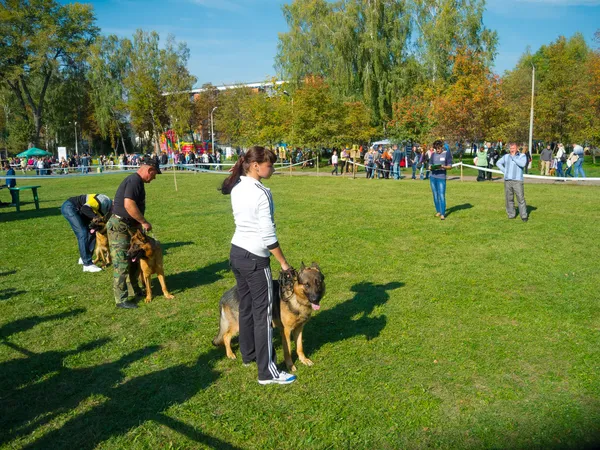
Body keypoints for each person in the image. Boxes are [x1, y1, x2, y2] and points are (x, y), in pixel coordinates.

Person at [220, 146, 297, 385]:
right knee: (263, 314)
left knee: (247, 307)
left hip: (237, 254)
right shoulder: (260, 192)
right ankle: (267, 372)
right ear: (256, 166)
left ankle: (249, 354)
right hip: (254, 258)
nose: (272, 168)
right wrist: (284, 263)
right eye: (270, 165)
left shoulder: (238, 187)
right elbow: (268, 235)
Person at [108, 156, 161, 309]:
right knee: (122, 262)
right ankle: (121, 299)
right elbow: (129, 204)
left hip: (129, 226)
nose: (154, 178)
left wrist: (138, 226)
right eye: (154, 174)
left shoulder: (137, 182)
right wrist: (143, 222)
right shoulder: (134, 180)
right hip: (120, 227)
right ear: (149, 170)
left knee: (134, 260)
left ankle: (136, 289)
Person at [61, 193, 113, 272]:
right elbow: (85, 208)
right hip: (71, 207)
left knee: (91, 232)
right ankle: (87, 265)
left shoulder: (108, 209)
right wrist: (95, 217)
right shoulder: (103, 200)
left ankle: (84, 258)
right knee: (82, 233)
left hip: (79, 210)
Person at [496, 143, 528, 222]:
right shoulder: (506, 156)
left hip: (517, 181)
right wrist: (505, 171)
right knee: (509, 199)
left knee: (520, 199)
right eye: (510, 148)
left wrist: (514, 157)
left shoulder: (522, 156)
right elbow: (498, 163)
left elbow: (523, 164)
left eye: (513, 148)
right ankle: (511, 214)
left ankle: (524, 216)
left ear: (517, 148)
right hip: (508, 180)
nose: (511, 150)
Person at [428, 140, 453, 220]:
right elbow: (429, 165)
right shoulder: (433, 154)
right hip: (433, 176)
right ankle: (438, 211)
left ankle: (442, 214)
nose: (437, 150)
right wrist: (430, 167)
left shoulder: (446, 154)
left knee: (441, 195)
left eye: (438, 148)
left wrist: (443, 167)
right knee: (435, 195)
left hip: (441, 177)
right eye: (436, 149)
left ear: (442, 147)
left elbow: (450, 166)